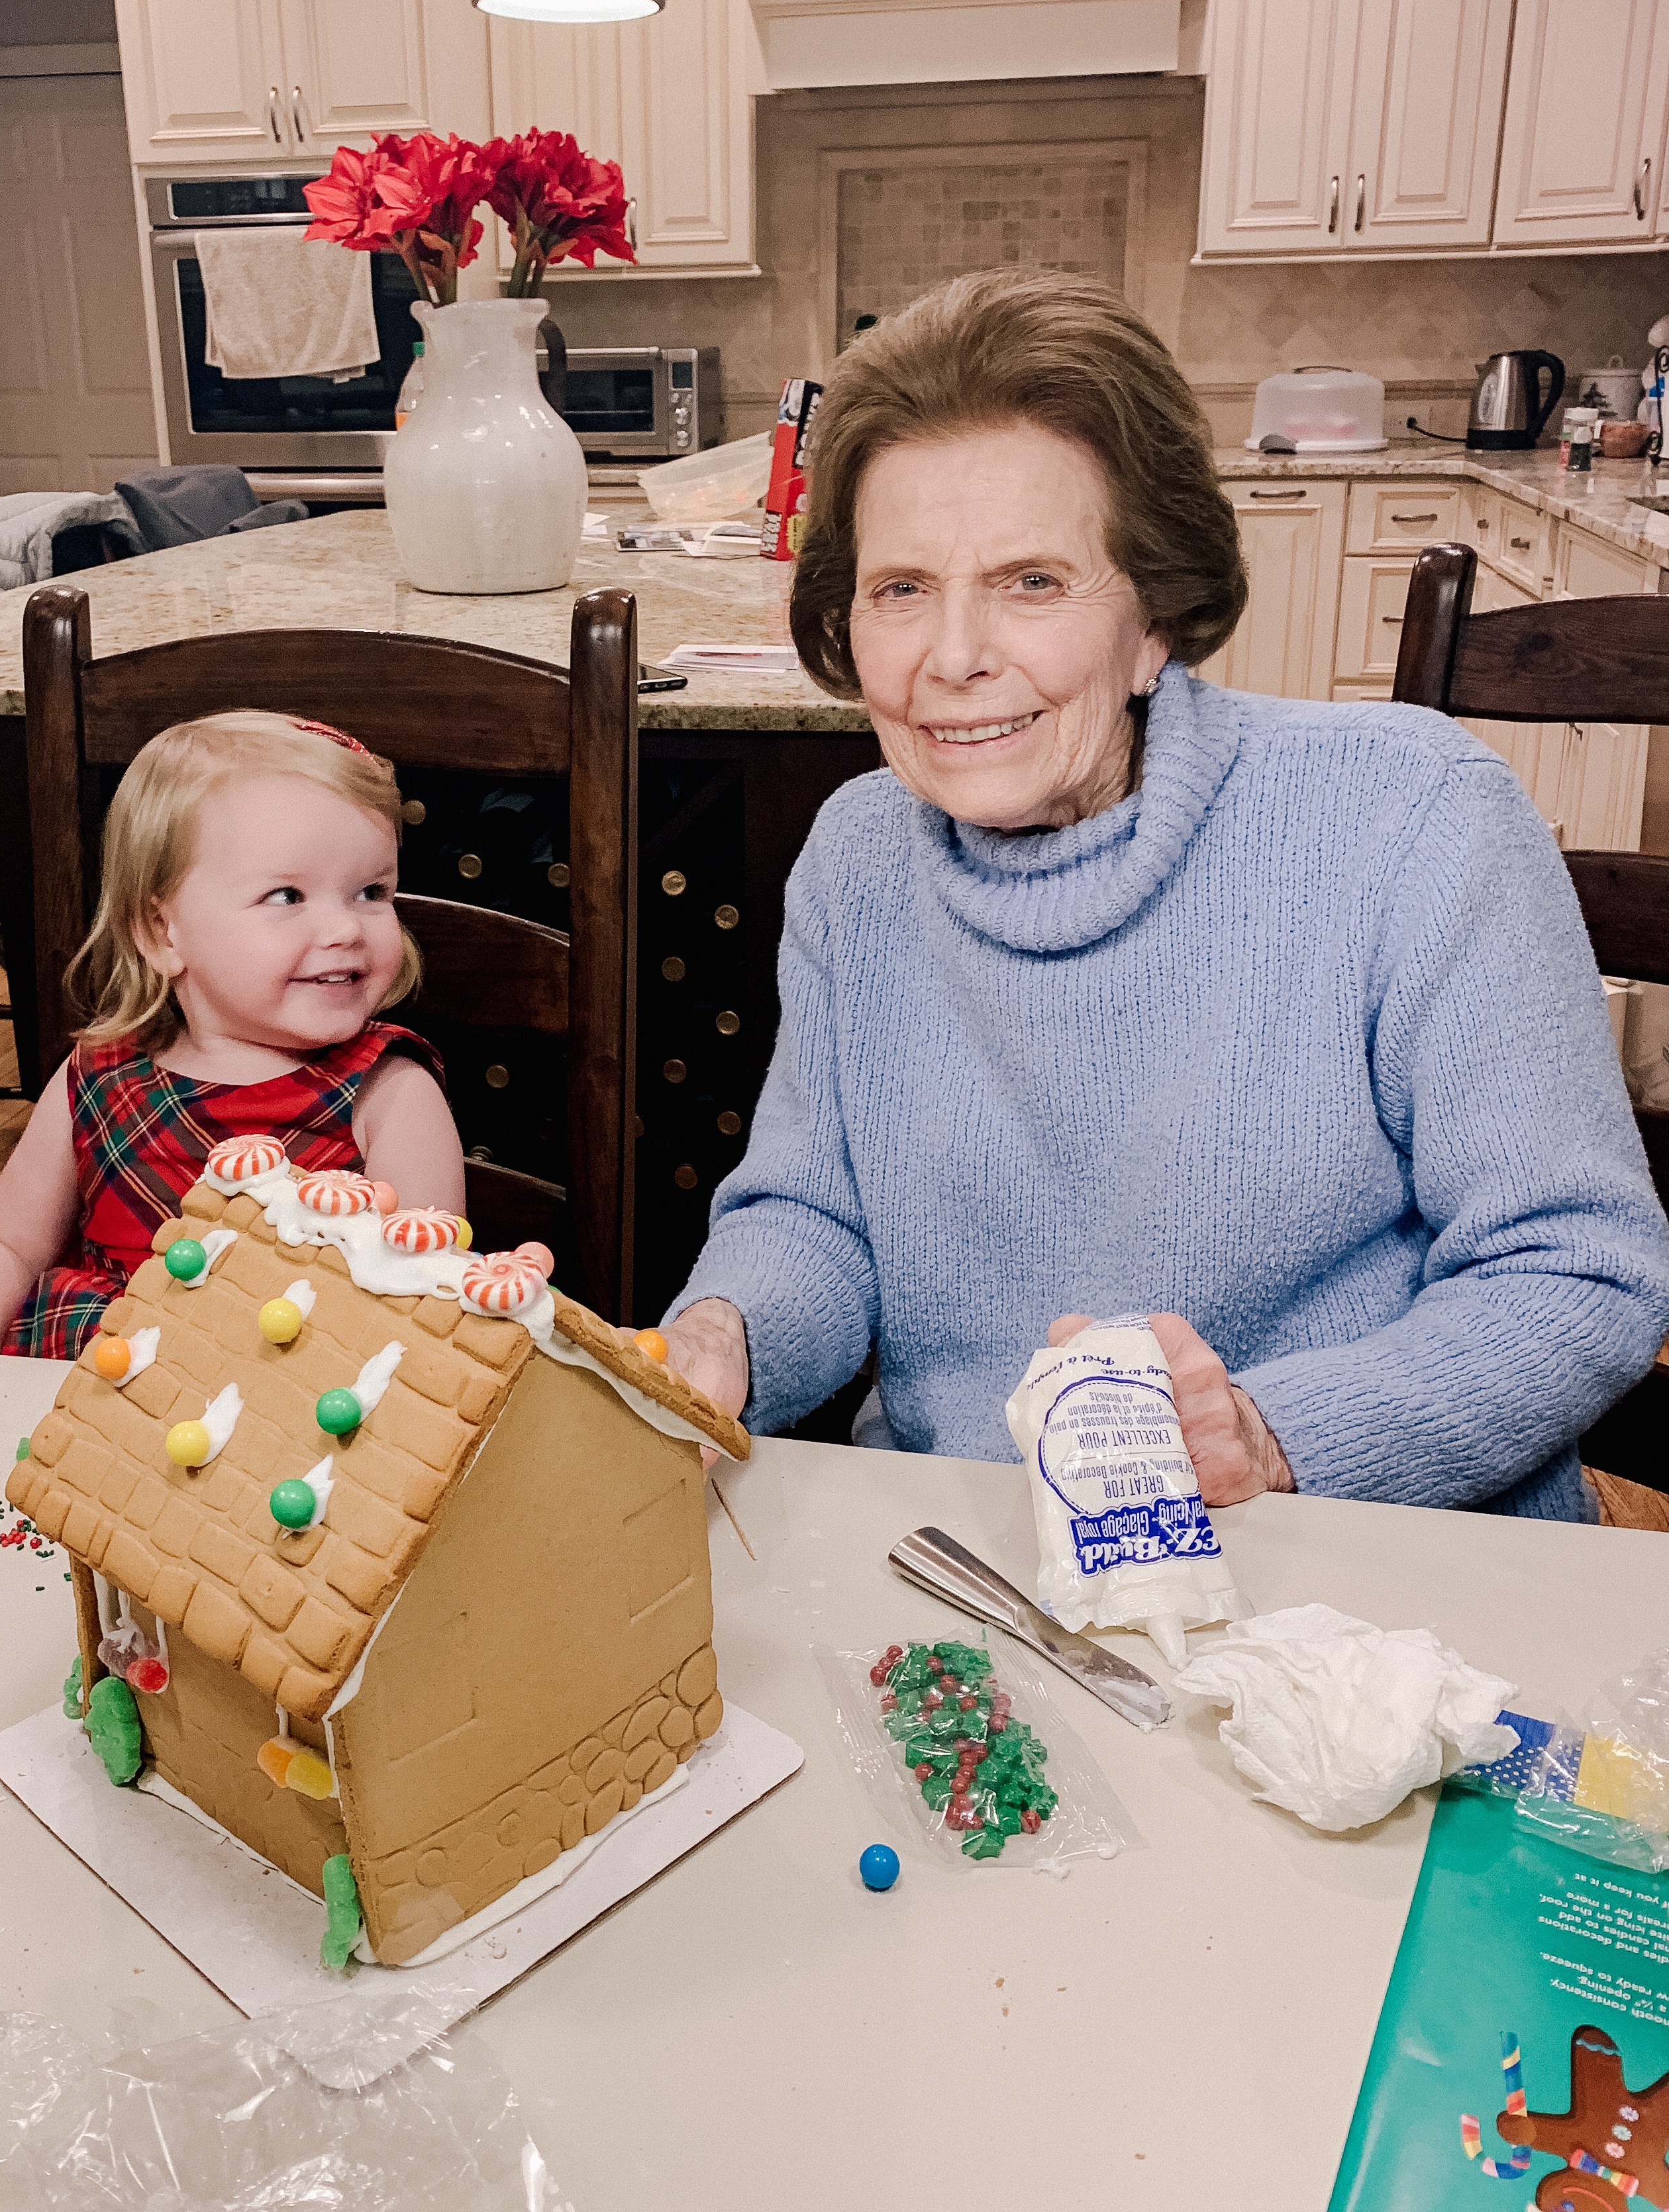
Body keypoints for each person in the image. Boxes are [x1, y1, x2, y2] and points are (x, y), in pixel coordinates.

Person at [660, 272, 1669, 1519]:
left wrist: (1267, 1437)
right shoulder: (858, 858)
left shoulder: (1409, 819)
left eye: (1031, 580)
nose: (952, 656)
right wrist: (726, 1332)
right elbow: (817, 1216)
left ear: (1155, 619)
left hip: (1360, 1582)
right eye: (900, 587)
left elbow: (1572, 1270)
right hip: (974, 1566)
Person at [0, 711, 462, 1359]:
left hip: (293, 1409)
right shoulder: (95, 1076)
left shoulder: (391, 1093)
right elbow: (3, 1247)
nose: (345, 928)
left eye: (371, 891)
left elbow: (421, 1313)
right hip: (89, 1391)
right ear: (162, 933)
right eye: (287, 895)